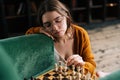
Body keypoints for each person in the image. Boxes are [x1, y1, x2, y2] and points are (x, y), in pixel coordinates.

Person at [26, 0, 96, 78]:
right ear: (43, 26)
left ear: (66, 16)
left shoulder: (80, 33)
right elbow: (28, 34)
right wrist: (39, 30)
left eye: (58, 20)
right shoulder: (43, 37)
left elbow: (92, 66)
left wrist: (82, 64)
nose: (55, 28)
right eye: (48, 25)